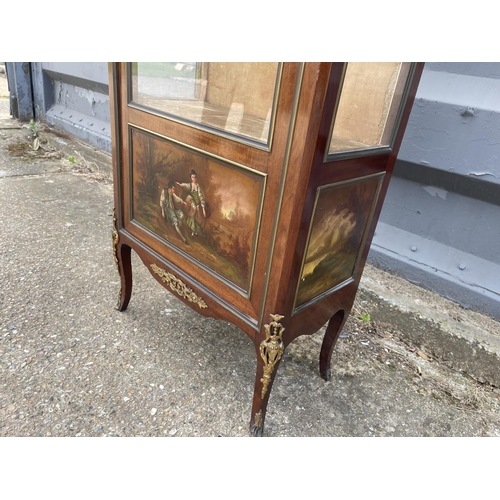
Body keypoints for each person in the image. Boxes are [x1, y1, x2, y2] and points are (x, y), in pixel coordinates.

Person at [176, 169, 206, 236]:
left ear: (196, 177)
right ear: (191, 178)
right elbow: (185, 185)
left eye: (195, 177)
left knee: (198, 219)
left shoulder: (198, 186)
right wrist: (180, 184)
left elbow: (201, 197)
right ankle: (193, 231)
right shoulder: (190, 185)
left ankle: (196, 231)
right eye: (192, 177)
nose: (194, 179)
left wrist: (203, 208)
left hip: (198, 205)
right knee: (192, 215)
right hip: (192, 203)